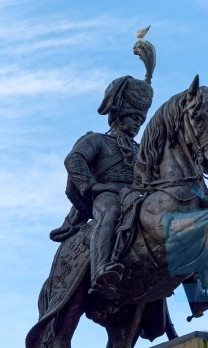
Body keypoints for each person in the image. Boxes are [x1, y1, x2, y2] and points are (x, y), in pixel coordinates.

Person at [63, 75, 153, 290]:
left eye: (140, 121)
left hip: (136, 196)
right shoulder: (97, 140)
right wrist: (94, 186)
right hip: (107, 194)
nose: (137, 125)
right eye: (132, 118)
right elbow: (74, 159)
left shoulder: (141, 150)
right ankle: (101, 268)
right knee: (110, 211)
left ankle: (195, 288)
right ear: (118, 116)